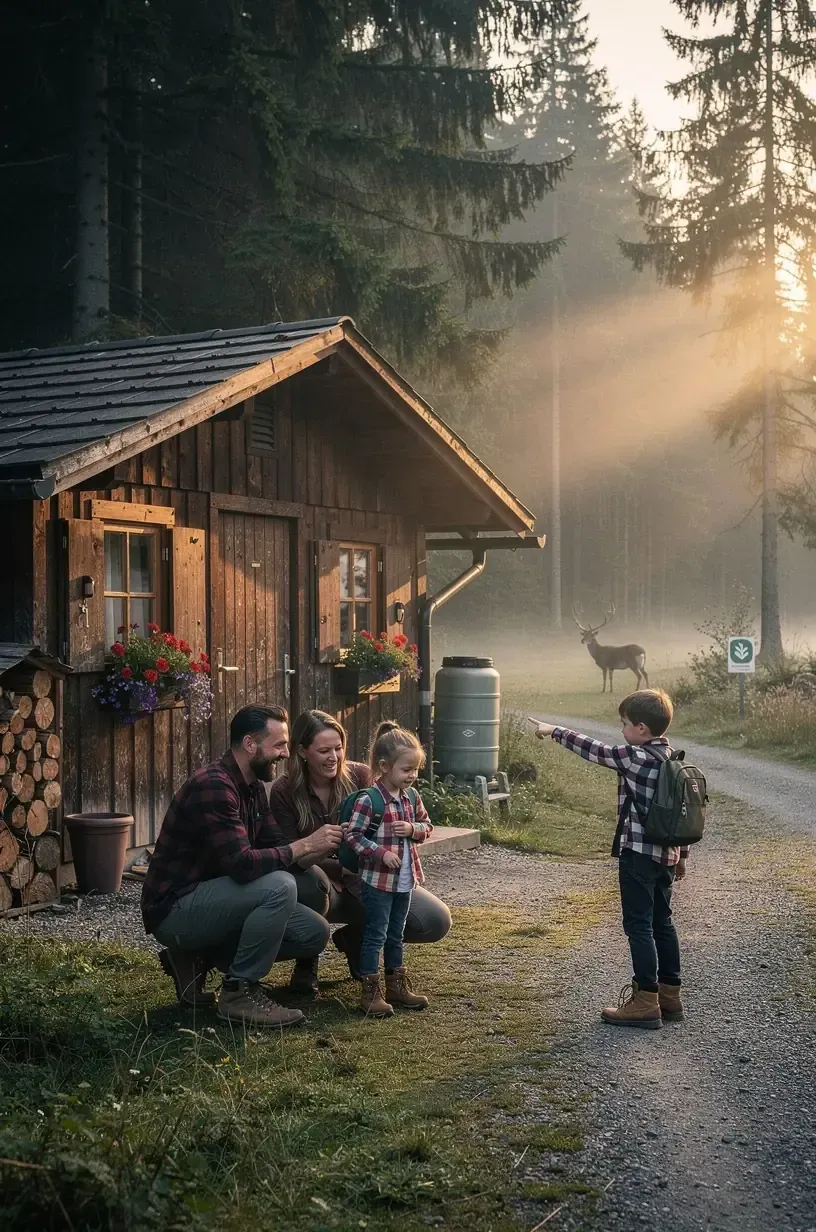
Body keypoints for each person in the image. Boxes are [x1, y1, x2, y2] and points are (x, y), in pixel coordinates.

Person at [141, 704, 343, 1028]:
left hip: (215, 899)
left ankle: (198, 955)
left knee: (313, 932)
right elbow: (242, 866)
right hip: (175, 907)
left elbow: (277, 846)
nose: (284, 753)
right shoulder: (215, 786)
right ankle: (238, 993)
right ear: (250, 744)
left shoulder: (252, 788)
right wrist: (304, 845)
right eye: (278, 745)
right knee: (280, 886)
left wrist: (328, 844)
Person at [533, 689, 687, 1029]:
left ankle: (645, 1000)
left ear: (642, 729)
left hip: (638, 855)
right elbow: (681, 814)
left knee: (638, 925)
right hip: (667, 856)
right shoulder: (673, 759)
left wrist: (554, 730)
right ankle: (669, 995)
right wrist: (681, 857)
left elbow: (594, 750)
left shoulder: (635, 757)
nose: (622, 730)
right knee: (663, 922)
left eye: (625, 724)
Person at [268, 710, 451, 989]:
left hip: (368, 876)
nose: (334, 757)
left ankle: (357, 937)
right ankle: (307, 960)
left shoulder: (360, 777)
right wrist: (329, 858)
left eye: (339, 748)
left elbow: (392, 828)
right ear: (303, 752)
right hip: (321, 880)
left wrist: (409, 832)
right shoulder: (284, 791)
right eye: (324, 750)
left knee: (433, 920)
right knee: (309, 883)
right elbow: (288, 855)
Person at [344, 720, 431, 1016]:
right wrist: (379, 853)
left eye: (415, 770)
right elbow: (353, 836)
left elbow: (428, 826)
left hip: (405, 880)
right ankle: (370, 992)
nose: (412, 776)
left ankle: (397, 986)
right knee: (376, 934)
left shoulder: (412, 798)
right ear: (384, 766)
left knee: (397, 933)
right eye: (406, 770)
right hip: (377, 881)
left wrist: (414, 828)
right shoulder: (370, 800)